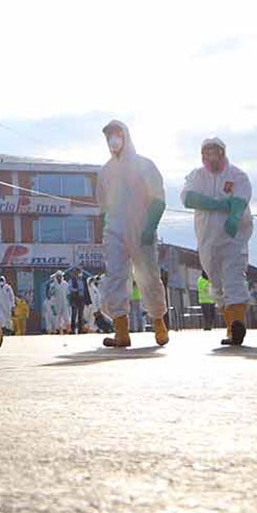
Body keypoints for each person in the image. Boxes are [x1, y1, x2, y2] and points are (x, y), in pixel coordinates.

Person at [96, 121, 169, 348]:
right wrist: (105, 230)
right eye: (109, 136)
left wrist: (150, 226)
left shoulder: (145, 166)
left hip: (141, 228)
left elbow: (158, 199)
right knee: (115, 276)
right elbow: (103, 207)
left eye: (116, 135)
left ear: (126, 136)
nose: (113, 140)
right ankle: (121, 330)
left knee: (148, 276)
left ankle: (158, 321)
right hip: (115, 230)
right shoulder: (105, 171)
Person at [182, 137, 254, 346]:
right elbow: (187, 198)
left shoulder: (237, 175)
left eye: (215, 152)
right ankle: (232, 327)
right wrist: (217, 204)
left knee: (233, 278)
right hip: (207, 240)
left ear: (223, 153)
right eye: (207, 153)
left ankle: (237, 323)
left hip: (234, 238)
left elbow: (241, 199)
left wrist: (234, 216)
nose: (211, 157)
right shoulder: (197, 176)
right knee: (217, 284)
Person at [67, 267, 89, 334]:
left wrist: (87, 299)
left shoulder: (83, 280)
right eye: (75, 272)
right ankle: (73, 329)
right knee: (74, 314)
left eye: (78, 272)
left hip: (81, 298)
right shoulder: (71, 280)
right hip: (75, 298)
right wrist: (76, 290)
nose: (77, 274)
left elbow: (86, 289)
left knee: (81, 315)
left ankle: (80, 329)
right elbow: (70, 288)